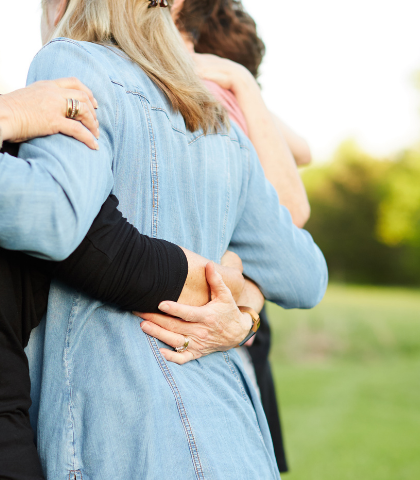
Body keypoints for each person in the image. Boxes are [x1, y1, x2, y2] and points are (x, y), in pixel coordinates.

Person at [0, 0, 325, 477]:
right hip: (235, 435)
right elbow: (305, 274)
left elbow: (52, 215)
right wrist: (237, 304)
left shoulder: (70, 61)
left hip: (125, 436)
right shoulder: (215, 117)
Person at [173, 0, 313, 470]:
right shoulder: (222, 92)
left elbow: (295, 205)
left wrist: (243, 84)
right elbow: (303, 150)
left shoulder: (218, 96)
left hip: (230, 307)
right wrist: (243, 84)